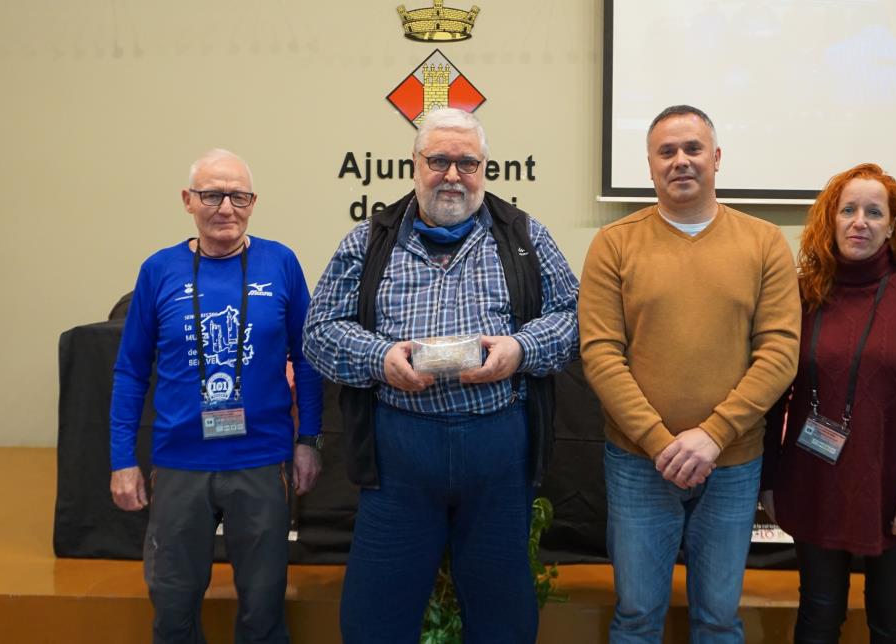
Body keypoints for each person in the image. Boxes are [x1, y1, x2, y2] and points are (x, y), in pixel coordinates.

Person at [303, 108, 579, 643]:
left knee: (504, 619)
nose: (453, 174)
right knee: (373, 620)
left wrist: (520, 349)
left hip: (498, 452)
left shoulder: (525, 236)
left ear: (484, 169)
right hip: (400, 454)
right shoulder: (369, 240)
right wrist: (379, 358)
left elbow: (574, 318)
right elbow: (319, 331)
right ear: (414, 165)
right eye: (439, 160)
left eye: (467, 163)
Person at [579, 104, 801, 642]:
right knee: (635, 618)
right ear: (650, 166)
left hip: (733, 463)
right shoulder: (614, 244)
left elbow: (779, 352)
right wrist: (660, 442)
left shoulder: (765, 242)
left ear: (716, 158)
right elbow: (601, 354)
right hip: (638, 464)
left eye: (693, 149)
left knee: (719, 619)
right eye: (667, 151)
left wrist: (712, 436)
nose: (681, 161)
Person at [109, 148, 323, 644]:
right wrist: (122, 458)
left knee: (264, 610)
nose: (225, 207)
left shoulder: (282, 263)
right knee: (173, 606)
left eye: (238, 196)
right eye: (211, 194)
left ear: (253, 202)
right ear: (188, 200)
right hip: (182, 463)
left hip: (261, 461)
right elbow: (129, 371)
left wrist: (309, 439)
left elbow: (309, 359)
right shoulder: (159, 270)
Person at [760, 163, 896, 643]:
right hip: (813, 484)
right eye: (849, 209)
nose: (860, 221)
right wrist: (770, 480)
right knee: (817, 616)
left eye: (875, 212)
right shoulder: (803, 293)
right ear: (829, 219)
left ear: (893, 225)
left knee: (891, 623)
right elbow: (774, 394)